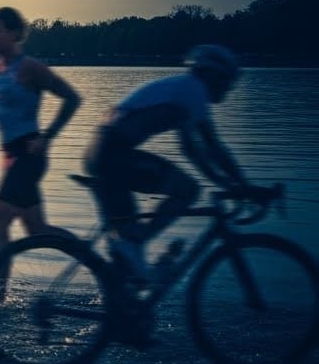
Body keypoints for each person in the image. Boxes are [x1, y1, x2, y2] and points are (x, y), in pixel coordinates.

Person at [84, 44, 266, 283]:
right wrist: (240, 184)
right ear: (214, 75)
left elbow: (191, 149)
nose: (229, 87)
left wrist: (228, 183)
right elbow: (212, 147)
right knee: (187, 190)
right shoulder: (194, 89)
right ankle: (136, 242)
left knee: (130, 264)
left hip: (103, 152)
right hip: (112, 155)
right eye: (228, 81)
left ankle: (122, 283)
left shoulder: (183, 88)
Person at [0, 6, 81, 260]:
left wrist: (47, 136)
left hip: (28, 156)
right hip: (11, 157)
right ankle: (94, 260)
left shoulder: (30, 68)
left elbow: (72, 98)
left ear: (14, 34)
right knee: (37, 229)